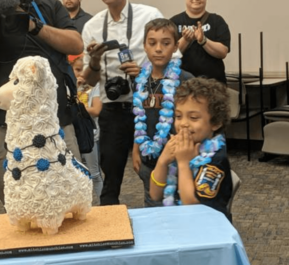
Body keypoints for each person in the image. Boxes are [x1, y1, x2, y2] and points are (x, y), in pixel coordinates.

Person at [0, 0, 83, 205]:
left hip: (56, 123)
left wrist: (34, 26)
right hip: (3, 128)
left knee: (72, 197)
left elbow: (76, 44)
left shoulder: (46, 5)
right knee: (20, 204)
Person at [82, 0, 163, 206]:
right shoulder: (92, 26)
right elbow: (90, 81)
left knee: (154, 170)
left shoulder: (149, 15)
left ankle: (159, 216)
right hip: (112, 109)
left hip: (148, 106)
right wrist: (94, 60)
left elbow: (172, 58)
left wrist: (144, 73)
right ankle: (109, 230)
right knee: (110, 178)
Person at [149, 77, 233, 219]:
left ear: (216, 122)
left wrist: (183, 163)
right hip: (180, 223)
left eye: (193, 118)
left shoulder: (215, 159)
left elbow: (194, 209)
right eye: (178, 116)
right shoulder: (182, 146)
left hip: (209, 231)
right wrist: (163, 161)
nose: (183, 124)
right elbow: (155, 194)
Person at [132, 18, 193, 207]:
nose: (158, 49)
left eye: (166, 43)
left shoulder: (185, 80)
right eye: (152, 43)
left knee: (179, 211)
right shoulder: (140, 81)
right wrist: (135, 149)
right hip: (148, 161)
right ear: (144, 46)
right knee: (153, 209)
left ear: (175, 46)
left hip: (177, 163)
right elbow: (139, 118)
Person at [69, 54, 104, 201]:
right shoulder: (69, 88)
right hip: (71, 137)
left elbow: (96, 110)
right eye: (77, 70)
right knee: (74, 175)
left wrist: (76, 107)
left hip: (90, 136)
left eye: (84, 70)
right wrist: (74, 90)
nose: (81, 74)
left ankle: (105, 206)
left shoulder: (94, 88)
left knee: (95, 174)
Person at [170, 0, 230, 84]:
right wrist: (185, 39)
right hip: (182, 85)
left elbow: (223, 52)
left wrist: (203, 40)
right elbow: (169, 54)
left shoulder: (217, 21)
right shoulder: (174, 22)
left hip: (214, 85)